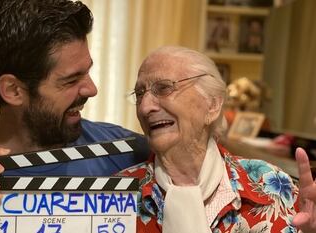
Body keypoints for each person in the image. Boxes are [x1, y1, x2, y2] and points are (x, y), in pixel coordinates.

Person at [0, 0, 149, 232]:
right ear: (13, 90)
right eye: (71, 80)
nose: (91, 89)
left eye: (87, 72)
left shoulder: (131, 153)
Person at [118, 46, 316, 233]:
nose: (145, 107)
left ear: (212, 105)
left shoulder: (272, 185)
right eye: (140, 93)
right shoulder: (115, 194)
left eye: (163, 88)